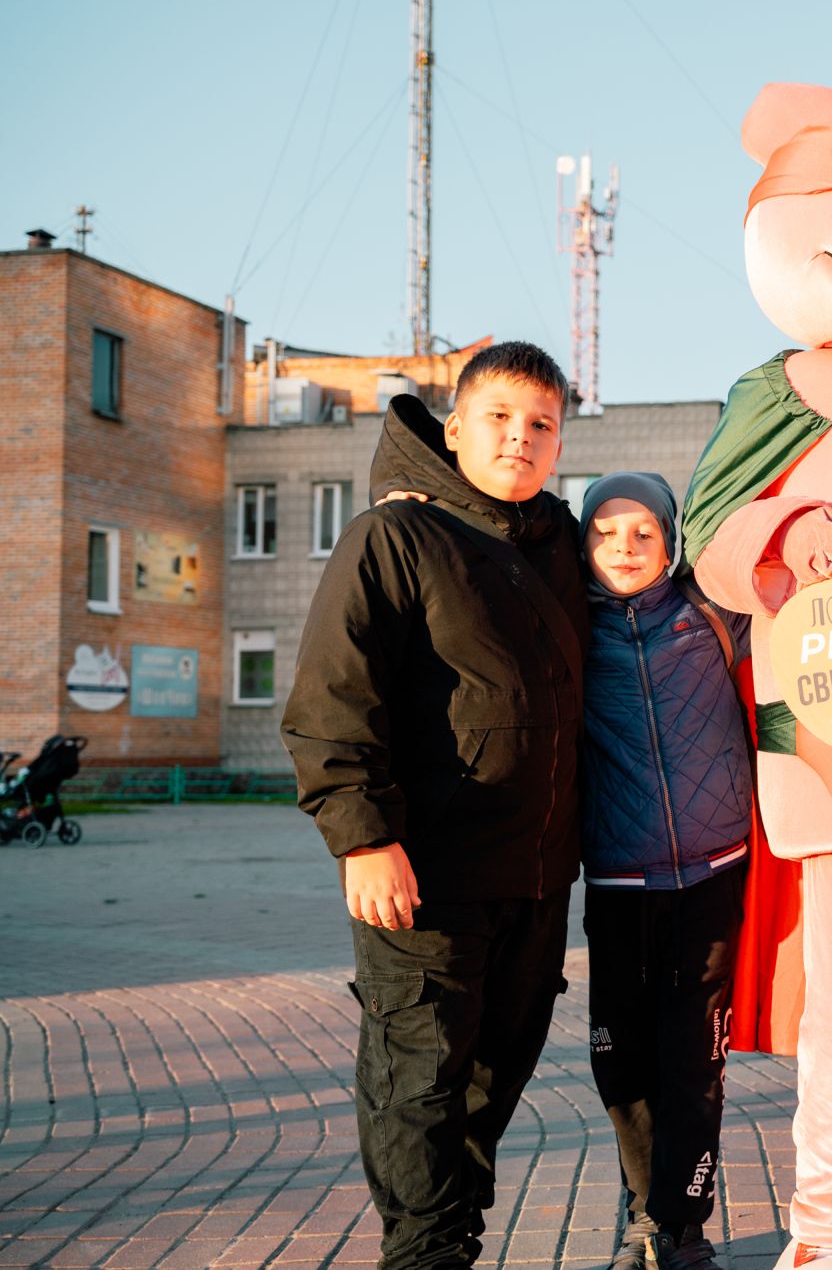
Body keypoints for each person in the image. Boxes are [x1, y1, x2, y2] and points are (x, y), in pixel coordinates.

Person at [283, 342, 588, 1268]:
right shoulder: (394, 536)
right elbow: (334, 698)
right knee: (419, 1075)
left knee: (499, 1067)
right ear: (455, 428)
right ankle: (423, 1251)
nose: (519, 439)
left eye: (540, 425)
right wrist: (362, 836)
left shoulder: (560, 544)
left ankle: (449, 1230)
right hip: (423, 871)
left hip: (535, 877)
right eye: (498, 417)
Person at [576, 472, 754, 1270]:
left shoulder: (712, 613)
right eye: (606, 533)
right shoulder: (568, 629)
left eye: (643, 532)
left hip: (713, 875)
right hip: (615, 883)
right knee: (622, 1062)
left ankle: (680, 1225)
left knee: (695, 1063)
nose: (625, 548)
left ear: (672, 537)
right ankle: (644, 1205)